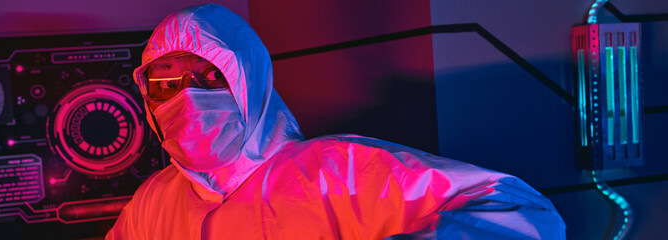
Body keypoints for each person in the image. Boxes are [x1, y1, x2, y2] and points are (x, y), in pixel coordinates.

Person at [106, 3, 565, 239]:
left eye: (208, 77)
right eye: (166, 85)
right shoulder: (155, 203)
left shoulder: (337, 171)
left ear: (250, 81)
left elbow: (526, 213)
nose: (187, 99)